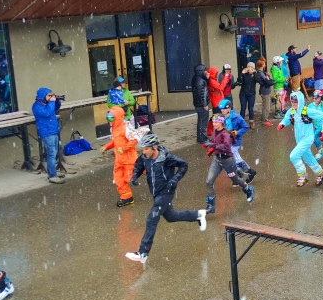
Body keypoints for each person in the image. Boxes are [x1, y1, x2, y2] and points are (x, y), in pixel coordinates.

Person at [125, 133, 207, 264]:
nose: (144, 151)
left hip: (166, 193)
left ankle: (143, 252)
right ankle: (197, 215)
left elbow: (184, 165)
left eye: (146, 148)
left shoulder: (166, 158)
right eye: (143, 149)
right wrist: (134, 176)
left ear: (155, 147)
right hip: (156, 193)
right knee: (171, 217)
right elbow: (139, 165)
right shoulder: (145, 157)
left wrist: (175, 179)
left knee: (151, 219)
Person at [203, 115, 254, 214]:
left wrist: (212, 145)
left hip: (228, 161)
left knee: (236, 179)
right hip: (217, 160)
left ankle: (248, 189)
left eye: (216, 122)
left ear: (222, 123)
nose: (214, 124)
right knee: (209, 181)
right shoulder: (214, 131)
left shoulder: (226, 134)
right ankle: (211, 205)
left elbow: (226, 146)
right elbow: (215, 142)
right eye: (213, 122)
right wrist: (212, 150)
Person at [277, 91, 323, 187]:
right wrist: (282, 124)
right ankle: (321, 174)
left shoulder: (307, 111)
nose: (293, 103)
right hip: (299, 139)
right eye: (292, 101)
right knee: (308, 157)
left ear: (300, 101)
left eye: (295, 101)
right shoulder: (291, 111)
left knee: (293, 156)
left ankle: (303, 175)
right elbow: (286, 119)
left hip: (307, 138)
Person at [101, 106, 138, 207]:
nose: (109, 119)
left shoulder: (126, 128)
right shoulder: (114, 129)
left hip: (129, 159)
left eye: (111, 117)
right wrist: (106, 147)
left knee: (128, 178)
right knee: (118, 179)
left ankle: (148, 170)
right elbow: (115, 141)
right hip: (119, 159)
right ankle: (127, 198)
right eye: (108, 117)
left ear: (117, 117)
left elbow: (134, 139)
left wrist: (125, 148)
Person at [219, 99, 256, 184]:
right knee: (234, 159)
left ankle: (243, 173)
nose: (222, 111)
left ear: (229, 108)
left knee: (231, 158)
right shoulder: (220, 117)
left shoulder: (237, 117)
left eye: (224, 109)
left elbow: (245, 127)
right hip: (226, 143)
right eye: (221, 109)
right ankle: (240, 174)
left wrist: (237, 132)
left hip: (235, 142)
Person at [32, 87, 64, 184]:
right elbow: (48, 112)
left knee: (54, 154)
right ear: (43, 96)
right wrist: (51, 102)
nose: (50, 97)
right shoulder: (36, 106)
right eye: (49, 95)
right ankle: (52, 176)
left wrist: (57, 101)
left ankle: (52, 172)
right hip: (46, 132)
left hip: (53, 130)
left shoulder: (46, 104)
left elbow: (56, 108)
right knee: (51, 154)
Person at [192, 64, 210, 143]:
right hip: (201, 105)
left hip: (199, 104)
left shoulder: (198, 78)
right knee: (203, 122)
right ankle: (202, 138)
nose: (206, 72)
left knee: (201, 121)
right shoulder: (200, 81)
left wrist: (207, 79)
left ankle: (201, 137)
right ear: (201, 71)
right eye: (205, 70)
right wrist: (205, 104)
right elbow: (201, 94)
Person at [237, 61, 258, 129]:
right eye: (249, 66)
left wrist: (255, 73)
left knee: (251, 108)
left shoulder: (254, 75)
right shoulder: (244, 74)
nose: (250, 68)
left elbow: (258, 80)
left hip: (251, 94)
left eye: (251, 67)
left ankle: (251, 122)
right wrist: (242, 73)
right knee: (243, 107)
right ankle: (241, 123)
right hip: (243, 93)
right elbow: (239, 80)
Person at [255, 58, 275, 127]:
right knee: (266, 107)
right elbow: (267, 81)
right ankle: (264, 120)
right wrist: (273, 81)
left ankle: (264, 118)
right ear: (262, 65)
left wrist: (268, 76)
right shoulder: (260, 73)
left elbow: (266, 79)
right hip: (265, 91)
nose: (265, 65)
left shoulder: (262, 72)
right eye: (264, 64)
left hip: (265, 91)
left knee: (266, 106)